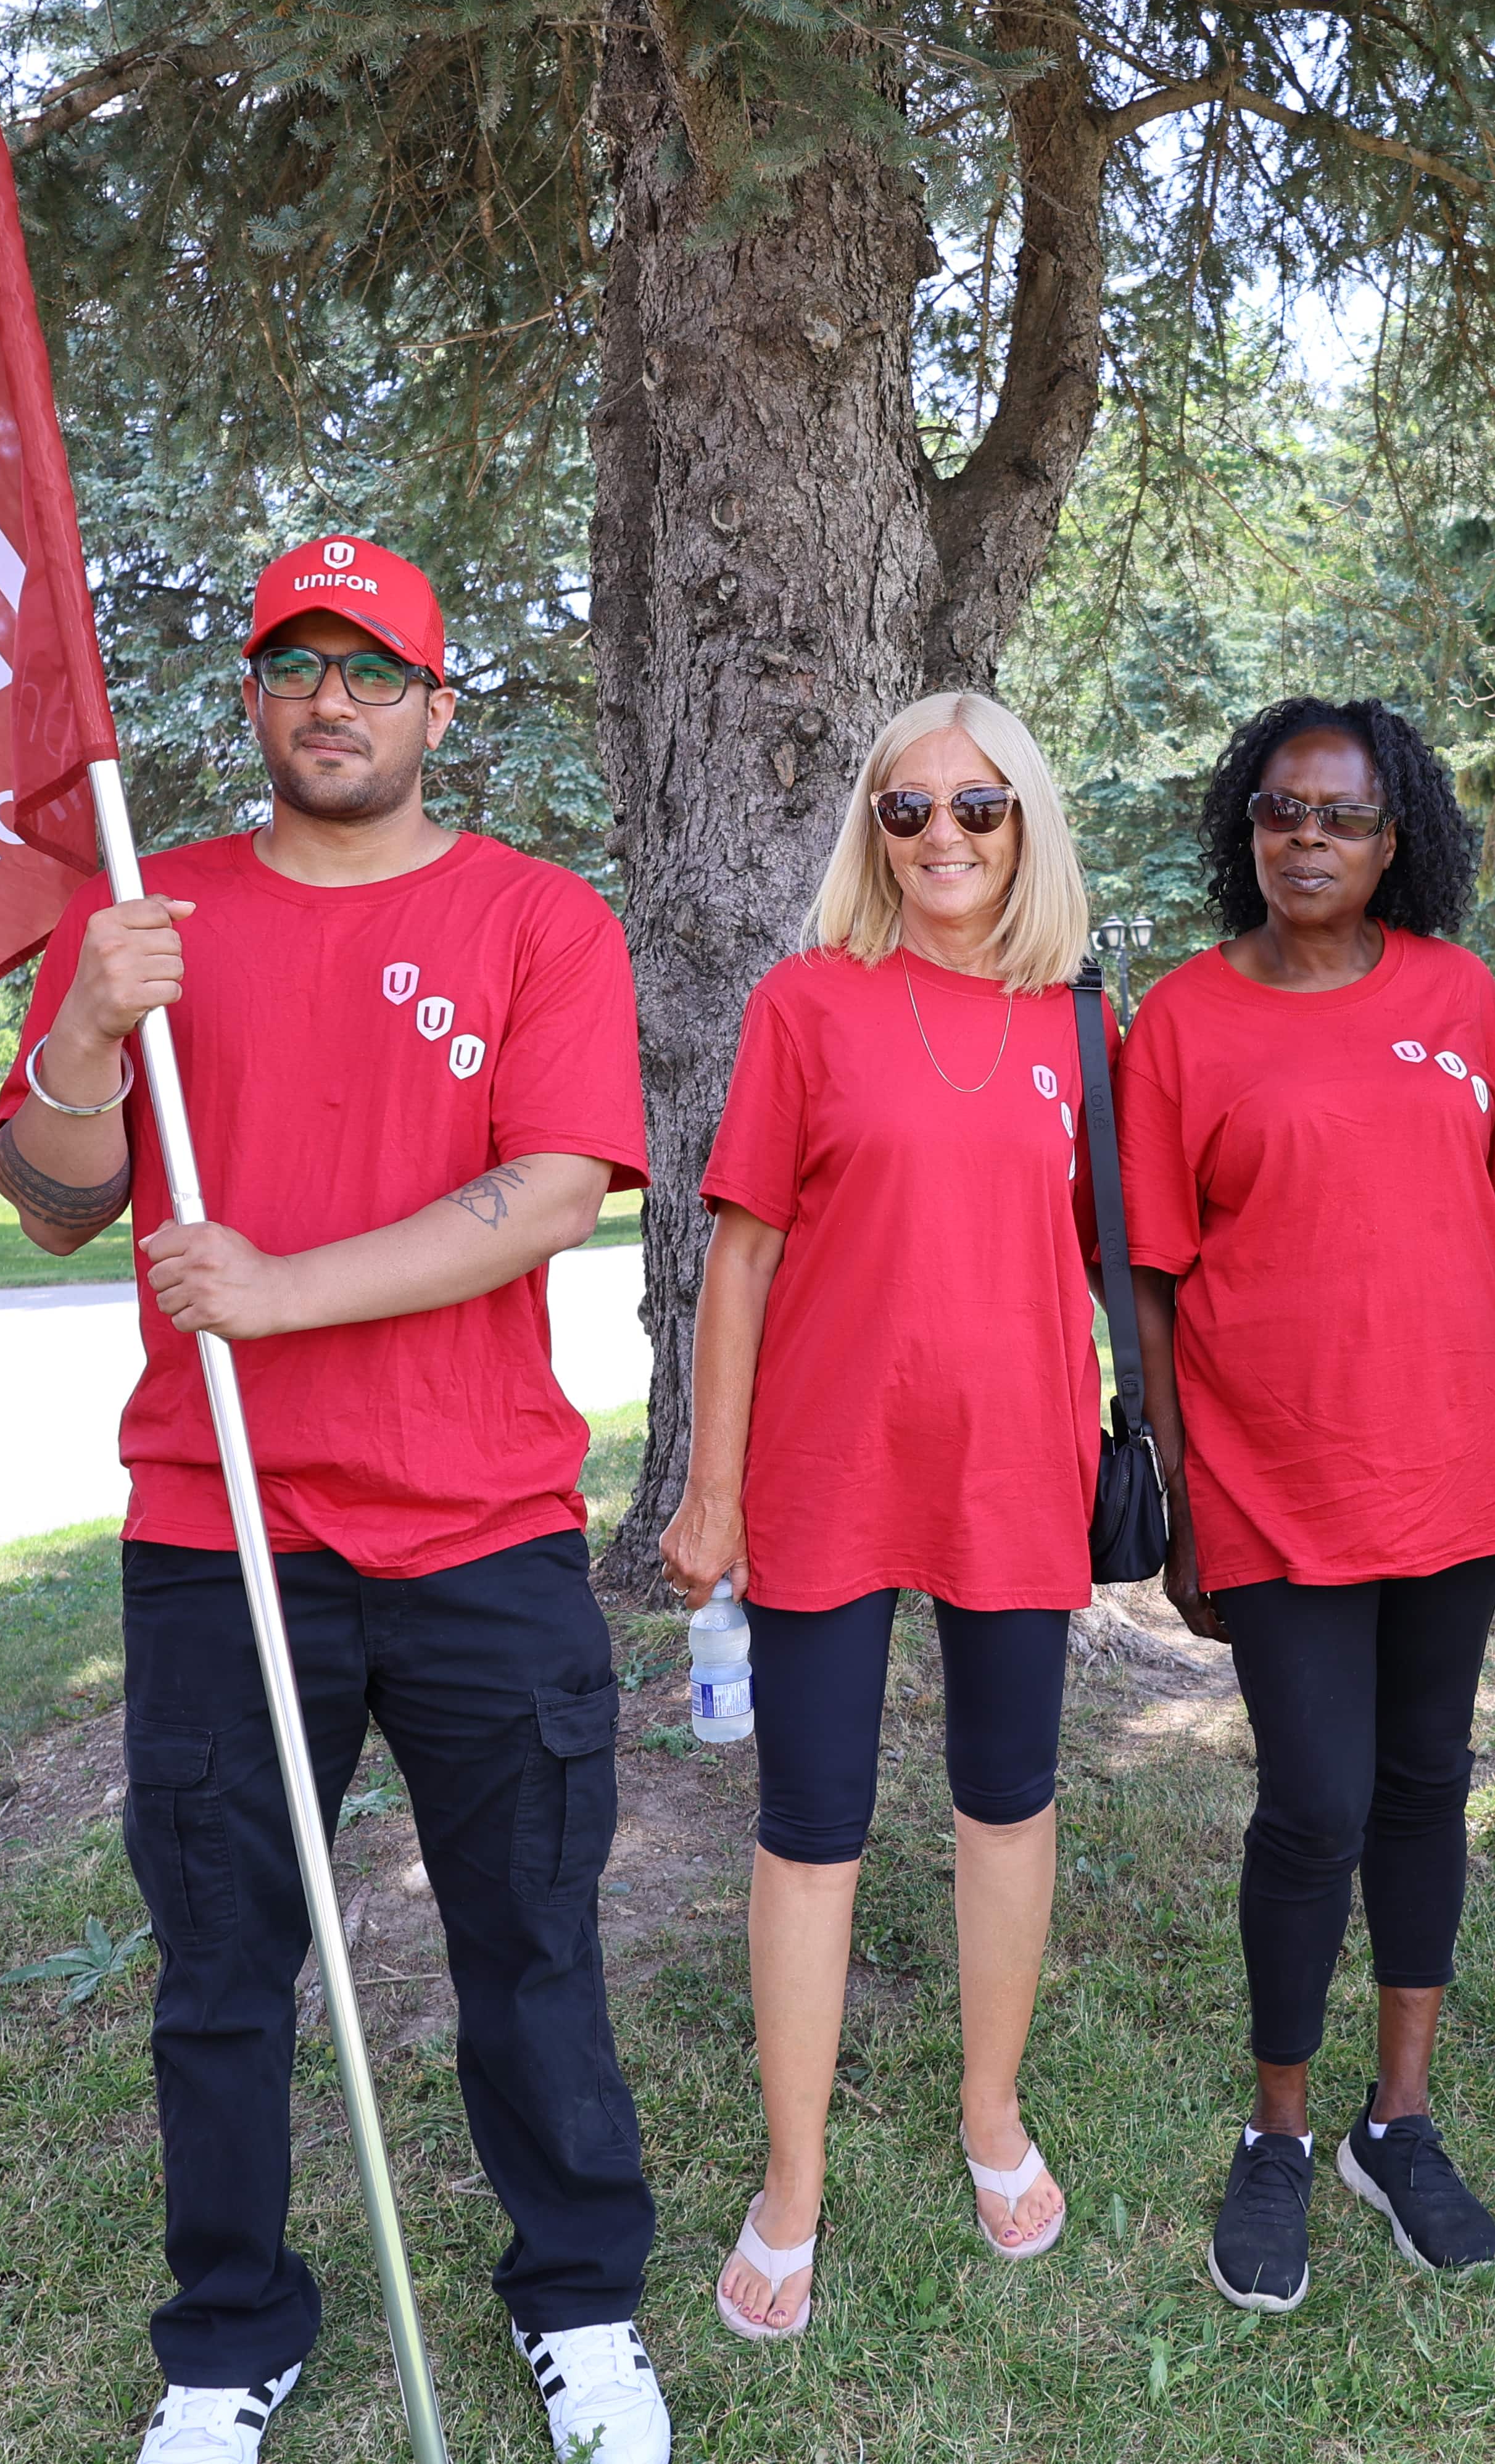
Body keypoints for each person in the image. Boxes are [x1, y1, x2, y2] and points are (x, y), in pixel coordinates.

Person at [0, 536, 669, 2464]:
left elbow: (551, 1192)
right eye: (297, 664)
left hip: (483, 1531)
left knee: (530, 1945)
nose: (334, 702)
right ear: (256, 700)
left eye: (373, 670)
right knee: (220, 1961)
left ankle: (581, 2309)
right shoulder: (153, 912)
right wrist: (88, 1033)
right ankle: (226, 2345)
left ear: (437, 708)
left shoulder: (540, 920)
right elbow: (50, 1203)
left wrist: (281, 1289)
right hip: (220, 1537)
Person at [658, 692, 1098, 2342]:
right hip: (828, 1477)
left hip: (1015, 1478)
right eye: (905, 812)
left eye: (977, 809)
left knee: (1007, 1800)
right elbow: (744, 1257)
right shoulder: (806, 1005)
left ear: (1025, 821)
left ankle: (991, 2112)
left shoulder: (1080, 1021)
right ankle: (793, 2178)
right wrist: (710, 1488)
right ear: (871, 830)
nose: (943, 840)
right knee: (809, 1824)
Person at [1116, 698, 1495, 2313]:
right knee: (1314, 1801)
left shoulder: (1452, 992)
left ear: (1394, 842)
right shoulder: (1179, 1021)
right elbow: (1153, 1283)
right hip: (1275, 1476)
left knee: (1426, 1781)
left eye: (1344, 818)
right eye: (1282, 813)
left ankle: (1402, 2118)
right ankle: (1283, 2129)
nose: (1308, 840)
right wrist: (1173, 1492)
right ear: (1247, 828)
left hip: (1456, 1467)